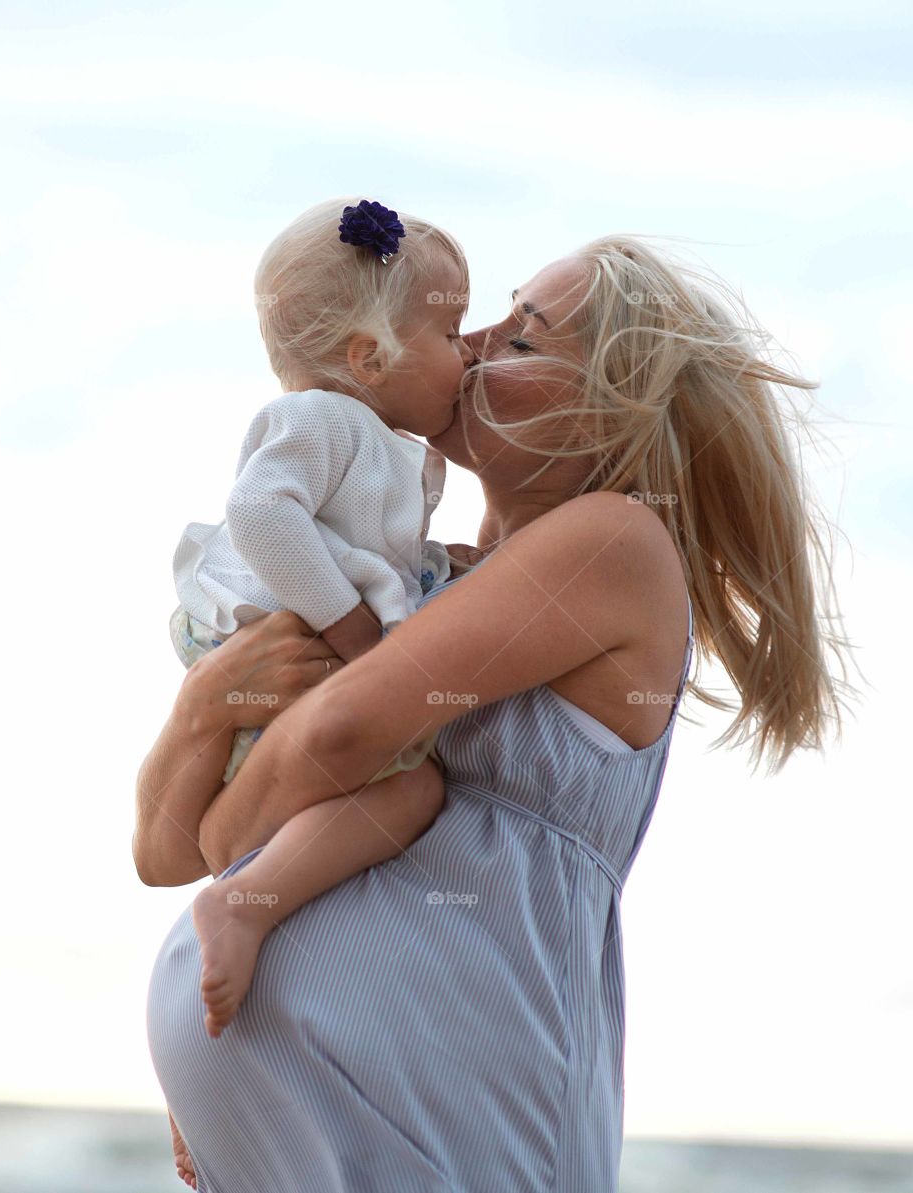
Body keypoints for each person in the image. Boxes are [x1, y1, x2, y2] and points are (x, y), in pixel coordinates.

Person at [135, 235, 854, 1192]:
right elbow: (157, 853)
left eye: (523, 338)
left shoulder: (614, 542)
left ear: (609, 409)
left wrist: (236, 850)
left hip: (476, 1113)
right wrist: (201, 704)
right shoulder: (412, 583)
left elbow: (332, 739)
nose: (469, 344)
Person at [167, 197, 474, 1040]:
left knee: (300, 837)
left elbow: (365, 548)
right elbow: (263, 514)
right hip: (278, 653)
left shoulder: (358, 435)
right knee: (408, 791)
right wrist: (350, 633)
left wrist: (443, 567)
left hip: (280, 656)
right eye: (451, 336)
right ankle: (237, 911)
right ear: (369, 356)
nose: (468, 355)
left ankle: (207, 1042)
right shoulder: (326, 421)